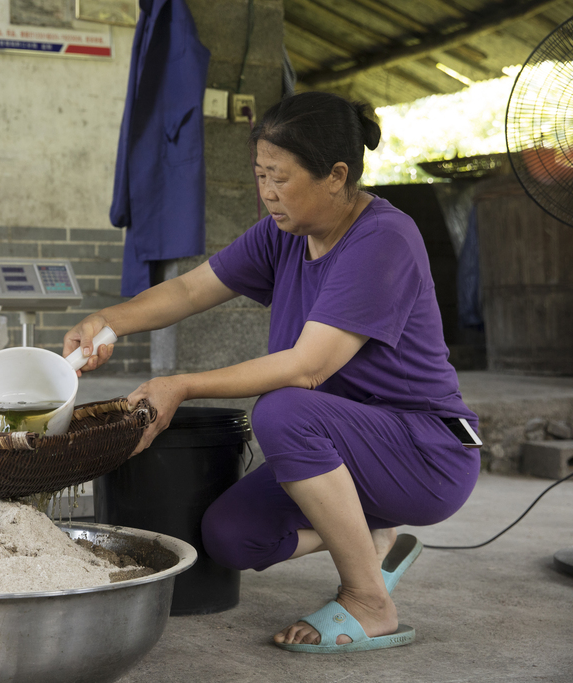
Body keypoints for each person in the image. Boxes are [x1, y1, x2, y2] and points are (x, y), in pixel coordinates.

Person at [64, 92, 481, 653]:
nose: (266, 192)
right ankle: (372, 540)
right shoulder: (283, 235)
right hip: (346, 447)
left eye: (279, 177)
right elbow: (191, 289)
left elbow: (307, 368)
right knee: (232, 538)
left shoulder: (384, 238)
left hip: (426, 453)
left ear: (336, 175)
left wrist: (182, 384)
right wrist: (105, 322)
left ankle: (369, 600)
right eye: (260, 174)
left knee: (283, 408)